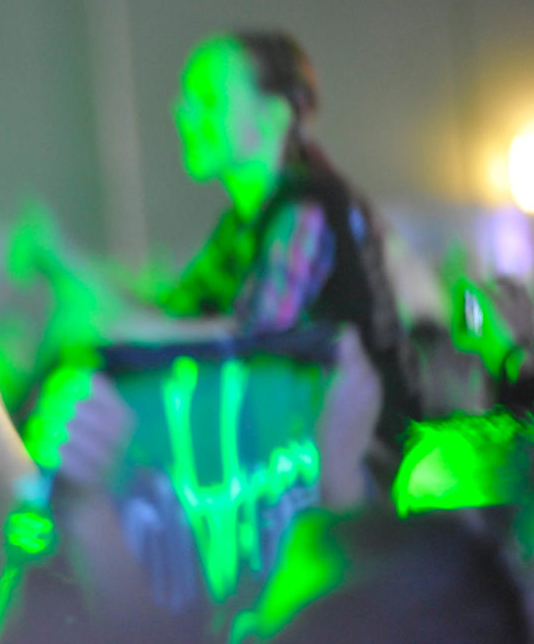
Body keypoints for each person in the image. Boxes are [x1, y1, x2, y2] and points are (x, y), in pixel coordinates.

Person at [160, 31, 421, 487]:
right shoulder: (242, 225)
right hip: (311, 463)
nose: (182, 114)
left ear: (274, 115)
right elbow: (177, 309)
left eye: (205, 99)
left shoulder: (308, 208)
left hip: (370, 474)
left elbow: (258, 336)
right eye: (184, 100)